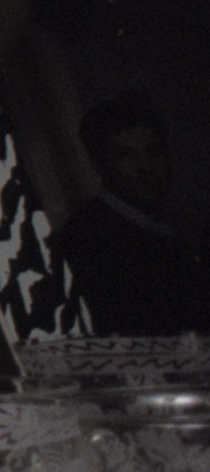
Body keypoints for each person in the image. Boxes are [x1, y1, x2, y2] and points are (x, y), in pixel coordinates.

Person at [57, 94, 210, 335]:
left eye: (154, 153)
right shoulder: (89, 236)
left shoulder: (170, 225)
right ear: (99, 164)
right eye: (126, 156)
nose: (146, 168)